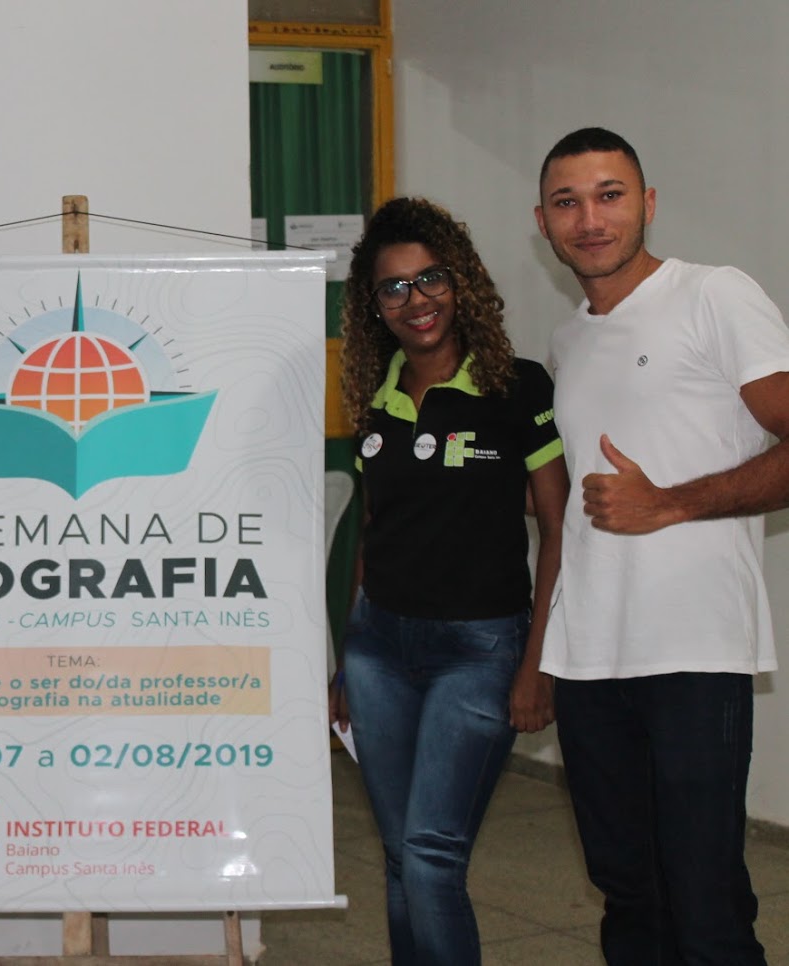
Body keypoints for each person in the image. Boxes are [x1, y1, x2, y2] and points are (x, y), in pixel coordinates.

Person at [536, 127, 789, 965]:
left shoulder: (712, 295)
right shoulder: (567, 340)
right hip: (588, 659)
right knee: (627, 894)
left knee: (703, 903)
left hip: (691, 651)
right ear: (542, 222)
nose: (589, 219)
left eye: (608, 195)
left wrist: (670, 503)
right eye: (567, 202)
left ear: (646, 203)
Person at [329, 197, 567, 966]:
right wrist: (347, 658)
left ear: (459, 281)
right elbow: (372, 529)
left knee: (431, 853)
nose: (415, 300)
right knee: (400, 854)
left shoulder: (517, 388)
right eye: (393, 288)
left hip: (479, 651)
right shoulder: (374, 399)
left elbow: (558, 528)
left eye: (429, 278)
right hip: (378, 650)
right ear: (373, 306)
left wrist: (537, 663)